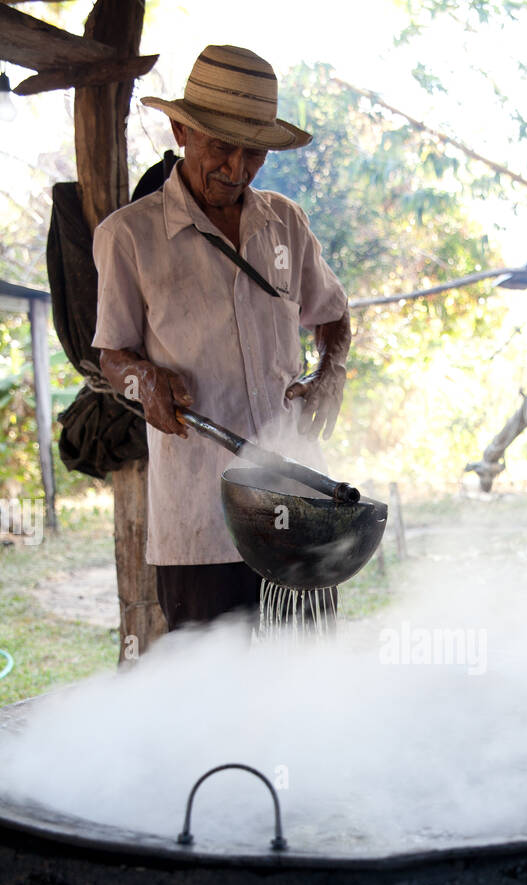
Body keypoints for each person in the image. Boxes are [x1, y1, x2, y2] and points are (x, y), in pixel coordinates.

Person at [92, 44, 351, 630]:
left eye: (253, 151)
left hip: (296, 501)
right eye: (221, 147)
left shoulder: (285, 222)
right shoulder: (128, 237)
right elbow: (113, 355)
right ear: (182, 130)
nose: (236, 169)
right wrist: (143, 380)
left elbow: (333, 313)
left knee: (312, 681)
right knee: (212, 699)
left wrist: (329, 371)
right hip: (200, 518)